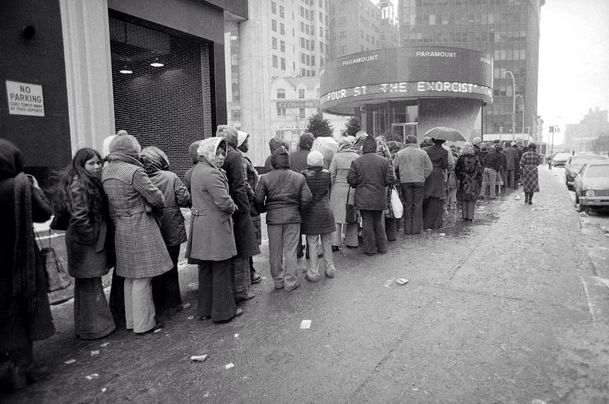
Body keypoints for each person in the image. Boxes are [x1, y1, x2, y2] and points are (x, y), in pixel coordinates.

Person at [102, 135, 171, 335]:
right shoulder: (134, 171)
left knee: (129, 276)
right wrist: (154, 204)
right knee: (143, 277)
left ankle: (132, 321)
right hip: (141, 224)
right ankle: (145, 323)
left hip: (121, 225)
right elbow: (156, 197)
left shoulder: (106, 172)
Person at [0, 140, 55, 390]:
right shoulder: (20, 185)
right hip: (20, 257)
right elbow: (44, 213)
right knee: (21, 306)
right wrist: (34, 187)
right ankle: (24, 365)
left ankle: (10, 361)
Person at [56, 148, 115, 340]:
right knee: (90, 283)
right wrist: (91, 239)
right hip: (85, 243)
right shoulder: (79, 185)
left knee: (87, 284)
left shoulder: (82, 181)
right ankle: (97, 327)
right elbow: (80, 218)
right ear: (82, 165)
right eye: (92, 163)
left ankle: (89, 326)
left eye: (99, 162)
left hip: (84, 240)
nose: (97, 166)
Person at [186, 137, 242, 323]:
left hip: (201, 225)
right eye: (217, 153)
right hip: (215, 226)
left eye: (222, 153)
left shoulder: (197, 170)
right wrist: (233, 207)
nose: (220, 157)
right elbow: (224, 201)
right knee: (221, 269)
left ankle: (206, 309)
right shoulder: (212, 173)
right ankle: (224, 311)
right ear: (208, 152)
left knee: (206, 269)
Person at [141, 146, 191, 319]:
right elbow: (184, 199)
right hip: (171, 226)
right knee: (171, 266)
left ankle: (157, 303)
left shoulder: (140, 179)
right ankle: (174, 302)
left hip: (151, 226)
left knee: (154, 268)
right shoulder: (171, 177)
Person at [254, 146, 312, 291]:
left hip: (273, 218)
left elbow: (258, 198)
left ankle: (278, 281)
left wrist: (265, 209)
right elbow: (307, 198)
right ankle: (290, 281)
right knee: (290, 250)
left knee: (275, 251)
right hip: (293, 217)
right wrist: (299, 210)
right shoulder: (299, 177)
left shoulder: (265, 178)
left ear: (274, 162)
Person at [218, 125, 260, 303]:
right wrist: (245, 208)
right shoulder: (235, 156)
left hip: (222, 208)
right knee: (242, 249)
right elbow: (241, 184)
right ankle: (241, 289)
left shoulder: (218, 154)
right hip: (238, 207)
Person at [347, 135, 396, 255]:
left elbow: (351, 180)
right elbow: (391, 179)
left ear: (364, 148)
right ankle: (383, 247)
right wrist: (381, 184)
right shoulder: (384, 161)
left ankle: (370, 248)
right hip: (379, 197)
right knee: (378, 222)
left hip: (363, 198)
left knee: (367, 223)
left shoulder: (356, 161)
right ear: (375, 147)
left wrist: (358, 185)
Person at [301, 151, 336, 281]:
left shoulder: (303, 175)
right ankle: (330, 268)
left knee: (312, 242)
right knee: (327, 241)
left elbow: (303, 195)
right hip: (326, 210)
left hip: (311, 213)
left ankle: (314, 272)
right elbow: (329, 190)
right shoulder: (327, 175)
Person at [236, 131, 263, 285]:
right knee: (249, 237)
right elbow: (244, 183)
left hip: (250, 204)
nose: (248, 145)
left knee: (250, 237)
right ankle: (250, 272)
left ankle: (249, 270)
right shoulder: (241, 160)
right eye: (246, 142)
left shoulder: (242, 158)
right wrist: (255, 198)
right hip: (250, 205)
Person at [394, 135, 433, 235]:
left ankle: (408, 229)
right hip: (419, 180)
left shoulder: (400, 153)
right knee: (417, 204)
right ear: (415, 142)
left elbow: (394, 167)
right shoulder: (423, 153)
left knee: (407, 204)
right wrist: (423, 176)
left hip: (405, 181)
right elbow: (429, 168)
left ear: (406, 142)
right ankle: (416, 229)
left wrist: (401, 175)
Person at [329, 137, 359, 250]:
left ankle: (335, 243)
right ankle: (352, 242)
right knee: (351, 215)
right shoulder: (357, 157)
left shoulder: (336, 157)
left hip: (338, 188)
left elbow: (331, 173)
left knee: (336, 217)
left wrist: (331, 188)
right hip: (352, 189)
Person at [290, 132, 314, 259]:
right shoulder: (313, 156)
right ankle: (311, 252)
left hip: (294, 194)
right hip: (310, 194)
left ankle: (298, 250)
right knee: (310, 224)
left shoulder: (291, 156)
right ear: (310, 143)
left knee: (296, 225)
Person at [422, 138, 449, 229]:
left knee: (428, 196)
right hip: (438, 174)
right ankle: (436, 223)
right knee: (437, 198)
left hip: (428, 174)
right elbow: (445, 165)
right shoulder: (444, 151)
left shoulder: (426, 150)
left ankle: (427, 222)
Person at [455, 143, 484, 221]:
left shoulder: (460, 158)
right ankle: (470, 217)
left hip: (464, 180)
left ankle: (464, 216)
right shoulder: (476, 158)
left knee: (464, 199)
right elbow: (480, 170)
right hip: (473, 180)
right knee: (471, 199)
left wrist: (461, 176)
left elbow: (457, 170)